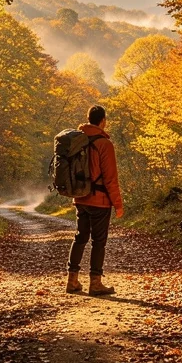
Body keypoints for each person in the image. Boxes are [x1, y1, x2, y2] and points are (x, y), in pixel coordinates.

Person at [65, 105, 123, 296]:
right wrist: (118, 204)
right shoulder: (104, 144)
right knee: (99, 241)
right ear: (103, 120)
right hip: (100, 201)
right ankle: (95, 284)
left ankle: (72, 281)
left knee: (80, 237)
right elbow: (110, 178)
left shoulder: (78, 140)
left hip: (80, 198)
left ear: (88, 118)